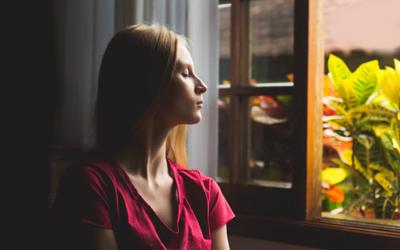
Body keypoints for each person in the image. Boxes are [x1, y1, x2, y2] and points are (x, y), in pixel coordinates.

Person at [51, 24, 235, 250]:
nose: (203, 86)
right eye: (186, 73)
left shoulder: (205, 193)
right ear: (147, 84)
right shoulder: (90, 186)